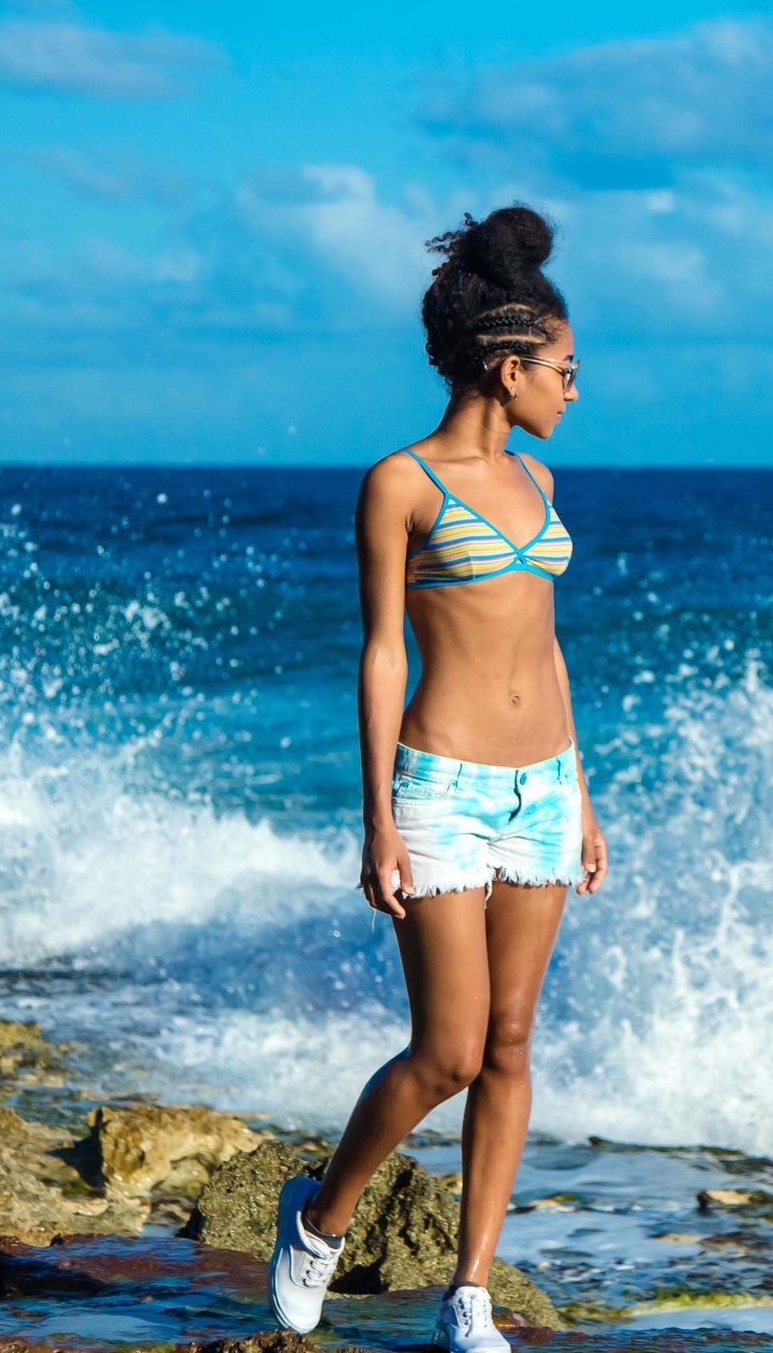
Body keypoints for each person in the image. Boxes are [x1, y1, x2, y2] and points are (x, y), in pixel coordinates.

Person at [268, 206, 606, 1353]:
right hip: (443, 791)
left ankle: (469, 1290)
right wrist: (376, 818)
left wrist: (585, 793)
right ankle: (320, 1217)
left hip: (545, 789)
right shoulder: (398, 483)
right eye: (564, 369)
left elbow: (546, 642)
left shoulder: (544, 485)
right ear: (508, 368)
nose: (573, 387)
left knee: (512, 1043)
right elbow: (380, 651)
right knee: (448, 1050)